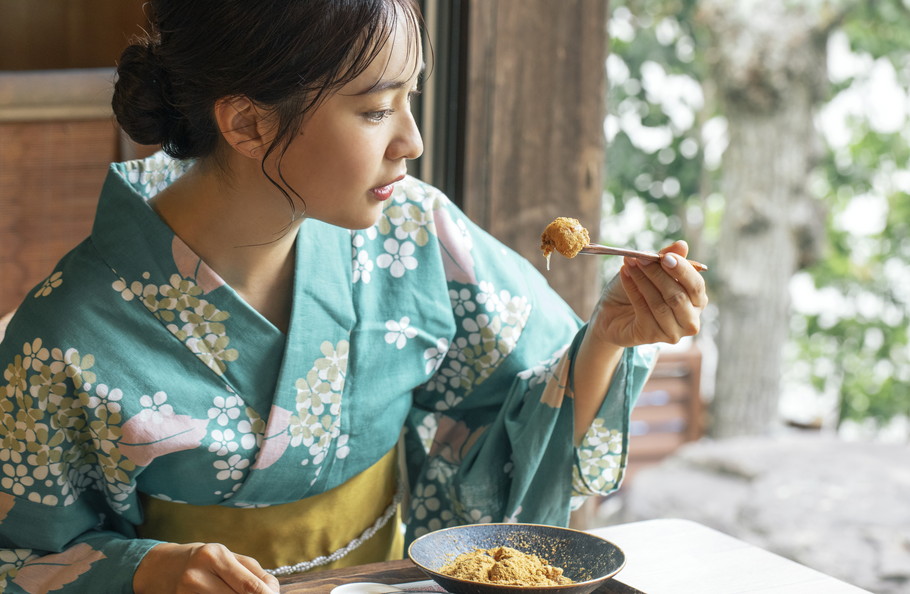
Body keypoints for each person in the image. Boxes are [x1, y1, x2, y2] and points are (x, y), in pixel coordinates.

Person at [0, 1, 707, 592]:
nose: (412, 141)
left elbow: (528, 404)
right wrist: (149, 570)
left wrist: (610, 333)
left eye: (411, 99)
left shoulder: (415, 231)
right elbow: (20, 560)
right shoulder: (63, 337)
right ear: (247, 123)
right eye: (375, 110)